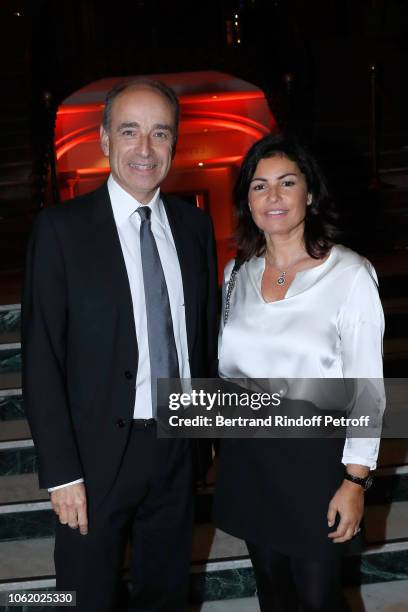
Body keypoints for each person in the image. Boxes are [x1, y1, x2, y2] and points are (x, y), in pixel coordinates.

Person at [22, 79, 218, 611]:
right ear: (105, 140)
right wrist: (62, 472)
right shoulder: (60, 230)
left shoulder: (196, 227)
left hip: (178, 446)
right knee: (85, 598)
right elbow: (41, 358)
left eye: (160, 133)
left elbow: (203, 340)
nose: (146, 149)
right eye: (130, 131)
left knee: (167, 595)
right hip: (94, 456)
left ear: (174, 144)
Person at [213, 134, 384, 612]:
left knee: (318, 597)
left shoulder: (349, 273)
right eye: (259, 186)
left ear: (309, 193)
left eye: (287, 183)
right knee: (273, 589)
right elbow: (228, 369)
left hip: (316, 462)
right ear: (247, 200)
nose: (273, 197)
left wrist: (355, 482)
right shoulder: (236, 273)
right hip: (251, 458)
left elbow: (368, 390)